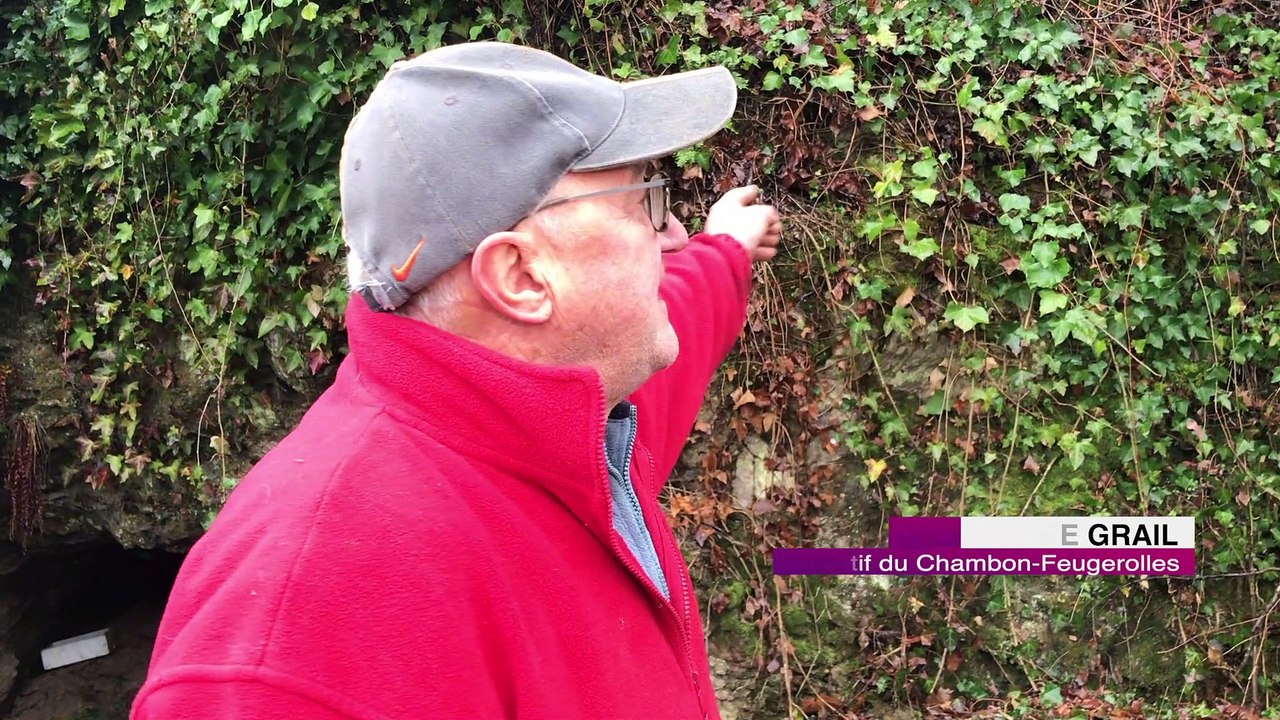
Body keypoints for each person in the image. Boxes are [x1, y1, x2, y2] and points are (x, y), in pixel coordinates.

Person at [131, 42, 780, 720]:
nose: (672, 232)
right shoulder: (297, 648)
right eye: (646, 196)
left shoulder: (570, 425)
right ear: (522, 278)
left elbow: (676, 312)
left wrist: (727, 248)